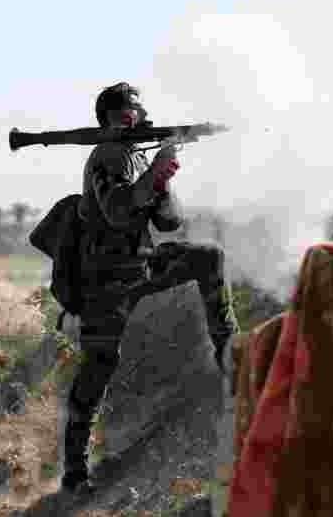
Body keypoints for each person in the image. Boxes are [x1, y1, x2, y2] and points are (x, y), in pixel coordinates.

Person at [60, 82, 240, 495]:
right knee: (99, 366)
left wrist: (161, 177)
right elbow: (118, 212)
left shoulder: (136, 155)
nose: (136, 117)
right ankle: (75, 470)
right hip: (104, 281)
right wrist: (153, 173)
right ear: (109, 117)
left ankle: (230, 355)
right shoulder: (107, 154)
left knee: (208, 257)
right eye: (128, 112)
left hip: (139, 267)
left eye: (138, 111)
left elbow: (168, 223)